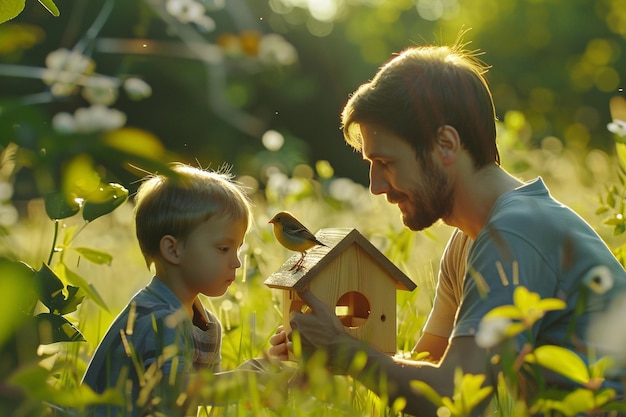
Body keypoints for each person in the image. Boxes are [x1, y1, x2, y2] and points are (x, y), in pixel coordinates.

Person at [269, 39, 626, 415]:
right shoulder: (468, 242)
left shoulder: (515, 233)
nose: (376, 186)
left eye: (386, 162)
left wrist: (343, 350)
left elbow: (455, 397)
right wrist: (331, 346)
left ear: (446, 144)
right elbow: (428, 367)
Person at [82, 163, 291, 417]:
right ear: (173, 250)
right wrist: (245, 382)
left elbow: (208, 390)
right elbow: (180, 392)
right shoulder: (158, 319)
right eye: (224, 249)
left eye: (238, 249)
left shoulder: (204, 323)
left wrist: (261, 368)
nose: (236, 262)